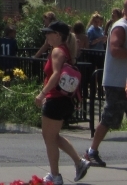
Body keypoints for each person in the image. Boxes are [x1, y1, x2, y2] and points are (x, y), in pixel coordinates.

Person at [85, 0, 127, 167]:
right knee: (109, 118)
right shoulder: (121, 26)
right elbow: (114, 50)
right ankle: (91, 152)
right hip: (117, 83)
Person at [34, 22, 90, 185]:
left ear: (57, 35)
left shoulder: (58, 51)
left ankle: (55, 175)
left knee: (49, 138)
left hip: (55, 99)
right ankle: (79, 162)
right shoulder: (65, 50)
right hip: (64, 100)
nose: (46, 36)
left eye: (49, 33)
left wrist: (42, 93)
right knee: (53, 136)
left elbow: (56, 75)